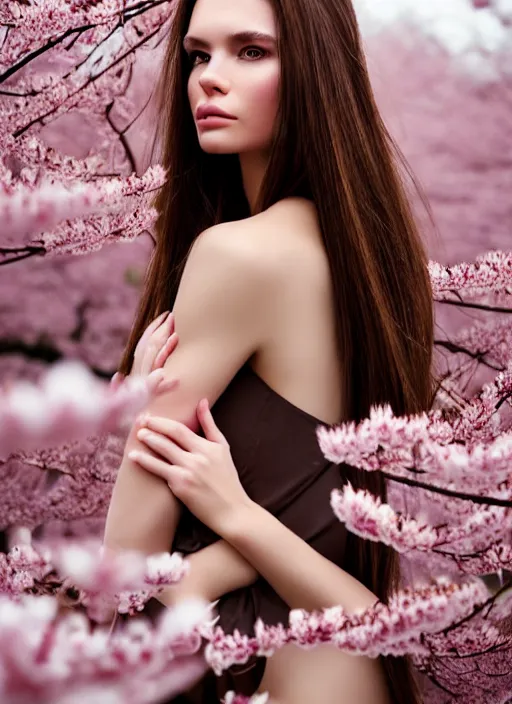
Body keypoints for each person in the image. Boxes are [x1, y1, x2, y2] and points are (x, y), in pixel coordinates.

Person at [103, 0, 437, 701]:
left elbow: (126, 573)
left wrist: (140, 411)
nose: (209, 80)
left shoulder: (238, 256)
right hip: (329, 649)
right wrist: (234, 545)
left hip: (229, 655)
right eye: (199, 55)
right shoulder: (375, 268)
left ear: (315, 70)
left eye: (251, 51)